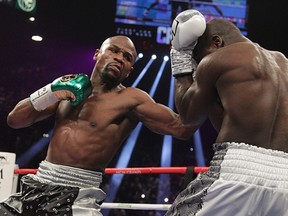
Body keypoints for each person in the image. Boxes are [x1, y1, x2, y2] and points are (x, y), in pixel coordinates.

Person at [0, 35, 195, 216]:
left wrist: (185, 69)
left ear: (129, 70)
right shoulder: (67, 86)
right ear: (97, 54)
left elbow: (182, 127)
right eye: (114, 50)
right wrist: (51, 90)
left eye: (127, 57)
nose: (119, 58)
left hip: (77, 195)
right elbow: (15, 120)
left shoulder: (132, 99)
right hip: (37, 184)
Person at [167, 9, 288, 216]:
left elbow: (187, 116)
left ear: (216, 42)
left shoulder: (219, 58)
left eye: (198, 57)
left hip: (236, 170)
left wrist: (180, 61)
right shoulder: (284, 63)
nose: (198, 65)